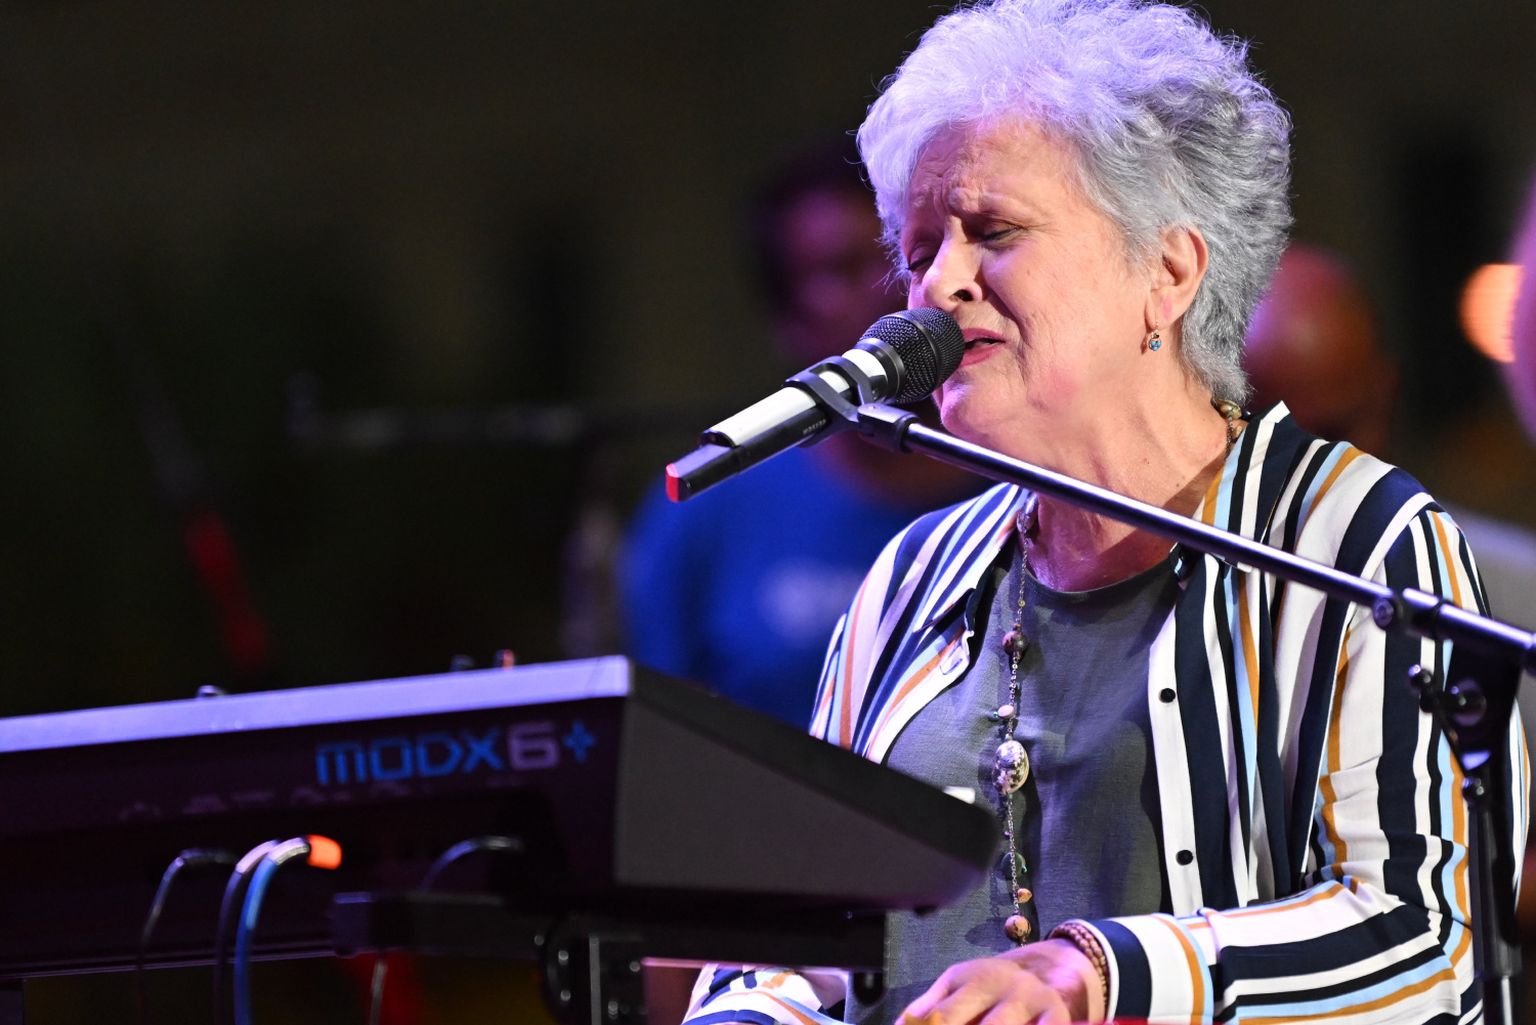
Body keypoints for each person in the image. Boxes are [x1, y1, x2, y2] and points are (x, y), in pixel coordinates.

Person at [683, 2, 1527, 1024]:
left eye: (993, 232)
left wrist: (1096, 973)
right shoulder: (911, 576)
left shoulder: (1353, 540)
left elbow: (1425, 941)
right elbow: (783, 939)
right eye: (920, 247)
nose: (937, 284)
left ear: (1167, 271)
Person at [621, 146, 976, 726]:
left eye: (905, 255)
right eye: (842, 268)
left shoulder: (1032, 488)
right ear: (788, 323)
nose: (888, 286)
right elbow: (656, 736)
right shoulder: (712, 505)